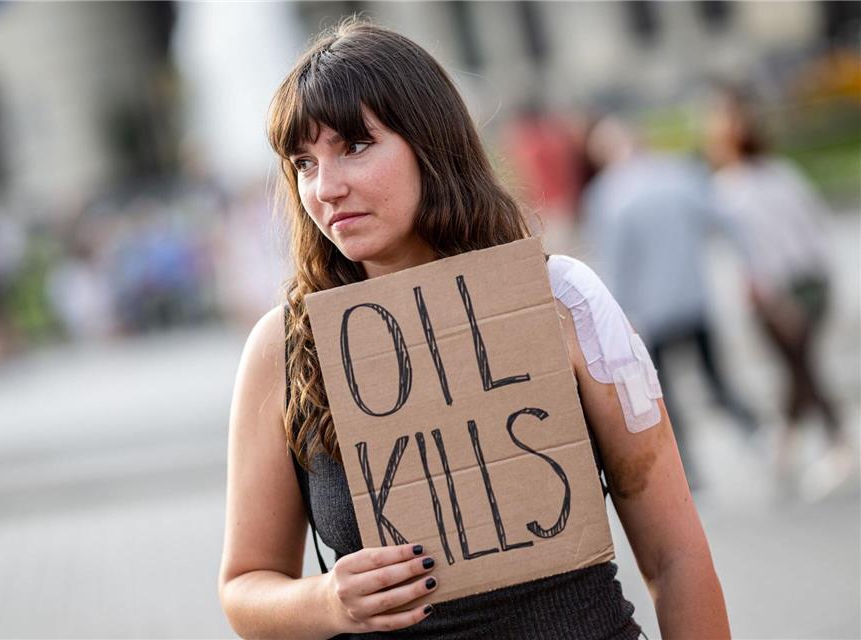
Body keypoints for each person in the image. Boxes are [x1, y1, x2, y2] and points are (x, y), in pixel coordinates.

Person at [219, 19, 729, 638]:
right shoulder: (283, 348)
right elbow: (245, 589)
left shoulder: (563, 300)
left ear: (429, 143)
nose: (326, 188)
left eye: (355, 146)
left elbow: (675, 558)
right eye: (303, 162)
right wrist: (328, 601)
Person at [582, 115, 758, 487]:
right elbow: (721, 220)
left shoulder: (606, 196)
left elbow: (614, 264)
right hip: (693, 298)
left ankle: (686, 469)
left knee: (664, 395)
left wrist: (615, 320)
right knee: (715, 378)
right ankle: (754, 431)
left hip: (649, 313)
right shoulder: (677, 174)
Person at [704, 86, 853, 499]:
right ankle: (789, 446)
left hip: (778, 292)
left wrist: (775, 301)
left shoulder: (729, 189)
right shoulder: (782, 173)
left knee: (800, 366)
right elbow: (815, 227)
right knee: (798, 365)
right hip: (812, 281)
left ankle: (834, 445)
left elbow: (757, 252)